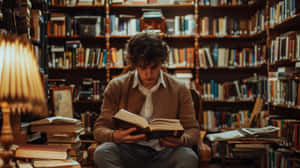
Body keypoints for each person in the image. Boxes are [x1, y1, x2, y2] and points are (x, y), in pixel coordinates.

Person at [93, 32, 200, 168]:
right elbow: (99, 129)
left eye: (154, 67)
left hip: (166, 152)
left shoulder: (179, 88)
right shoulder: (117, 86)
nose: (148, 74)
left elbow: (194, 130)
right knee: (102, 153)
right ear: (134, 64)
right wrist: (115, 136)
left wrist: (181, 140)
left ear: (161, 62)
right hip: (129, 151)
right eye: (142, 67)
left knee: (188, 157)